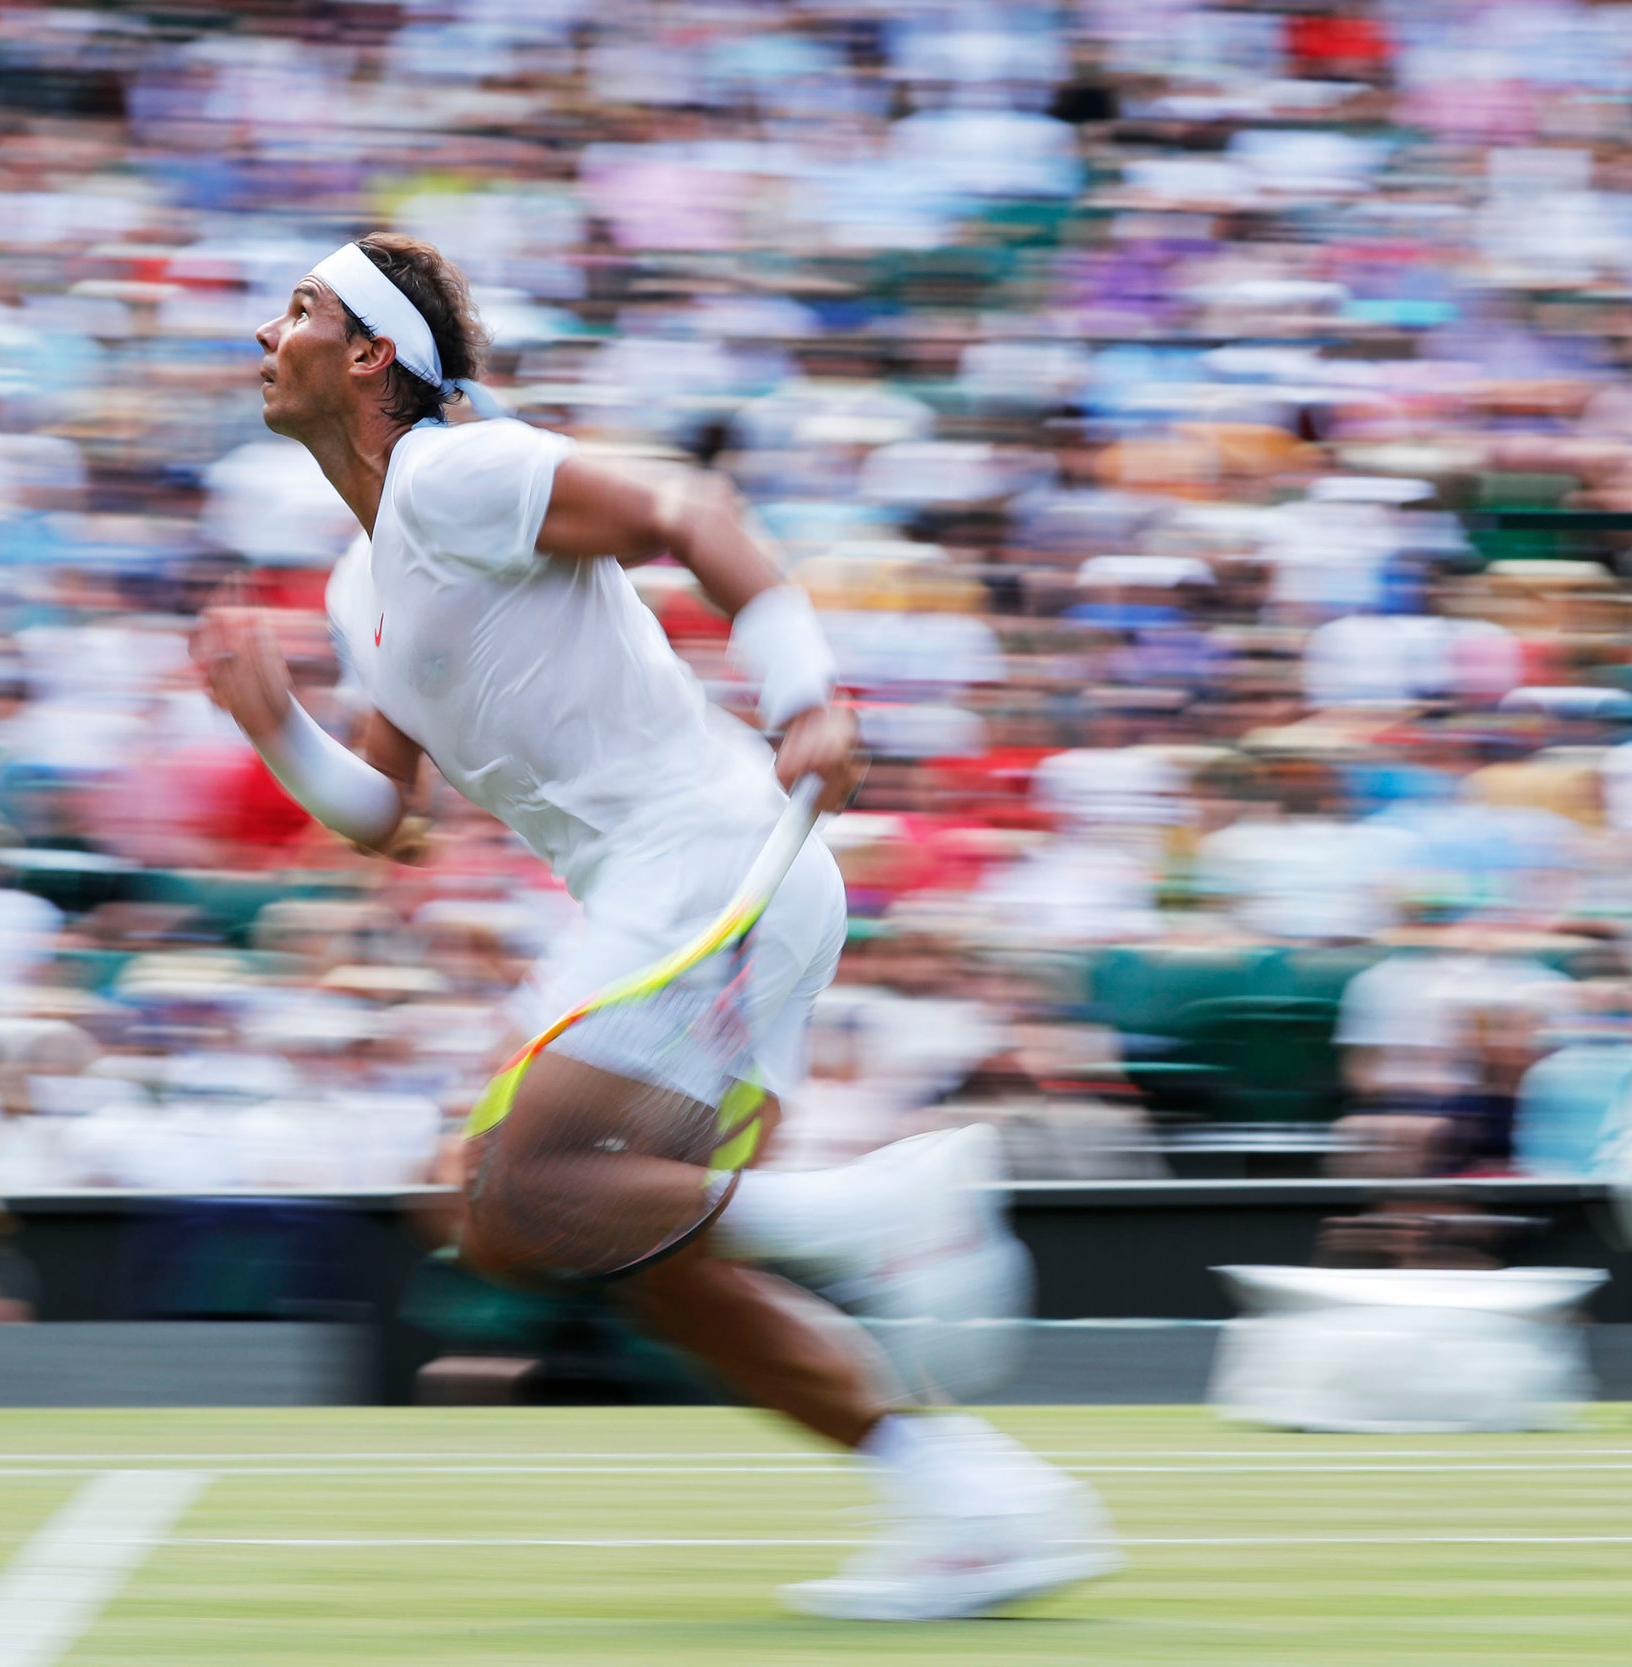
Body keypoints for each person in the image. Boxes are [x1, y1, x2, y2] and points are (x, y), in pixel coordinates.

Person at [194, 232, 1116, 1622]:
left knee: (504, 1190)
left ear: (374, 356)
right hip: (688, 891)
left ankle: (884, 1217)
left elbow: (688, 506)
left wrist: (805, 688)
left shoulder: (459, 471)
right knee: (619, 1250)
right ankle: (973, 1509)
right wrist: (273, 725)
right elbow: (387, 813)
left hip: (711, 862)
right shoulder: (357, 583)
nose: (267, 336)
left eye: (302, 310)